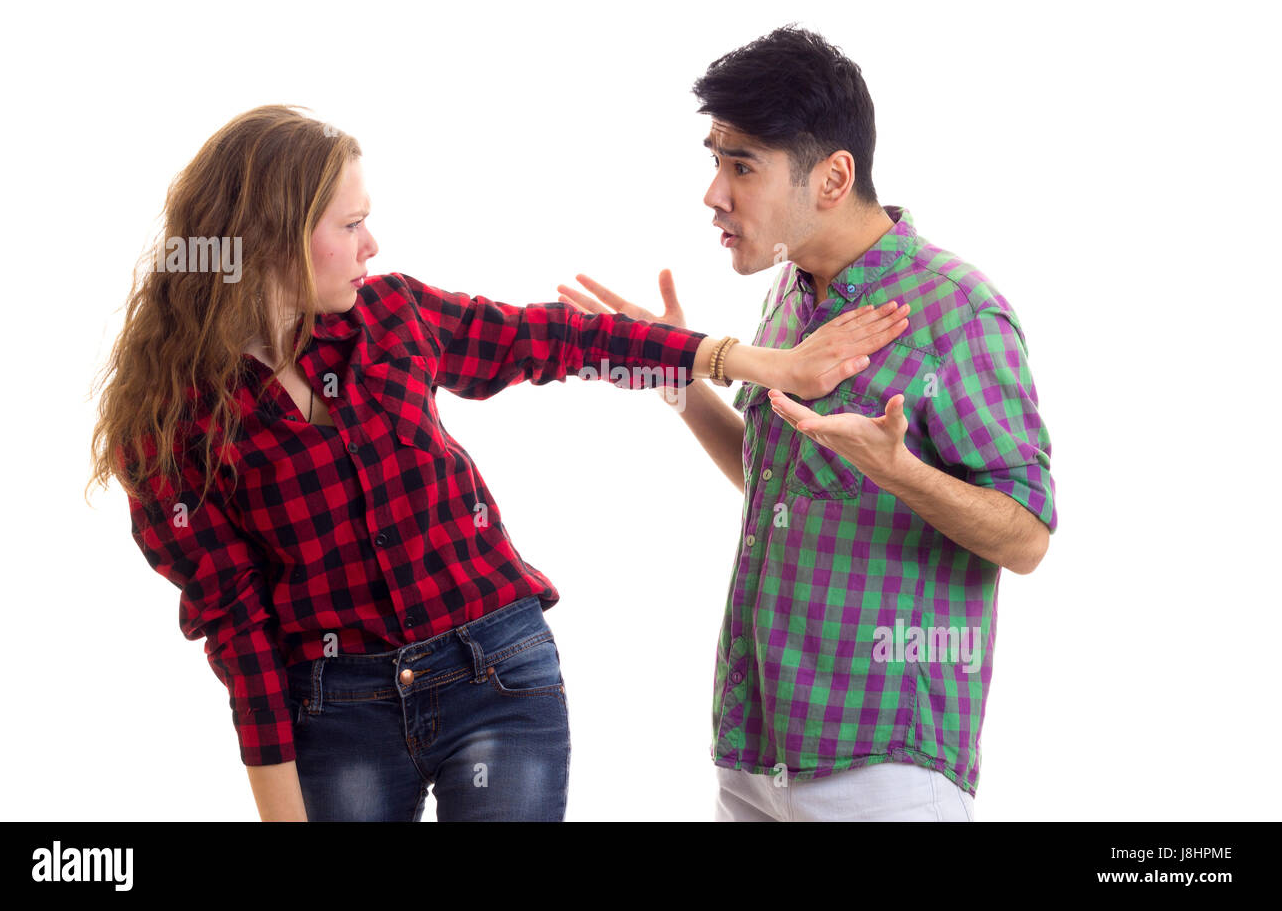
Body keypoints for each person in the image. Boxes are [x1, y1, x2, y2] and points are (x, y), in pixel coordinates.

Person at [86, 103, 910, 821]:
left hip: (496, 672)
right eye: (349, 225)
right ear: (268, 239)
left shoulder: (392, 317)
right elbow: (240, 633)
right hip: (336, 711)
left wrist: (759, 364)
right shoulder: (167, 426)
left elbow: (560, 339)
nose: (373, 243)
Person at [558, 26, 1058, 821]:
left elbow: (1026, 536)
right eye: (715, 160)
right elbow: (776, 472)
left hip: (882, 765)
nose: (714, 194)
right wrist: (680, 381)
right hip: (757, 749)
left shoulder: (958, 311)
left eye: (742, 166)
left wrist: (902, 473)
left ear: (832, 177)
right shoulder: (790, 295)